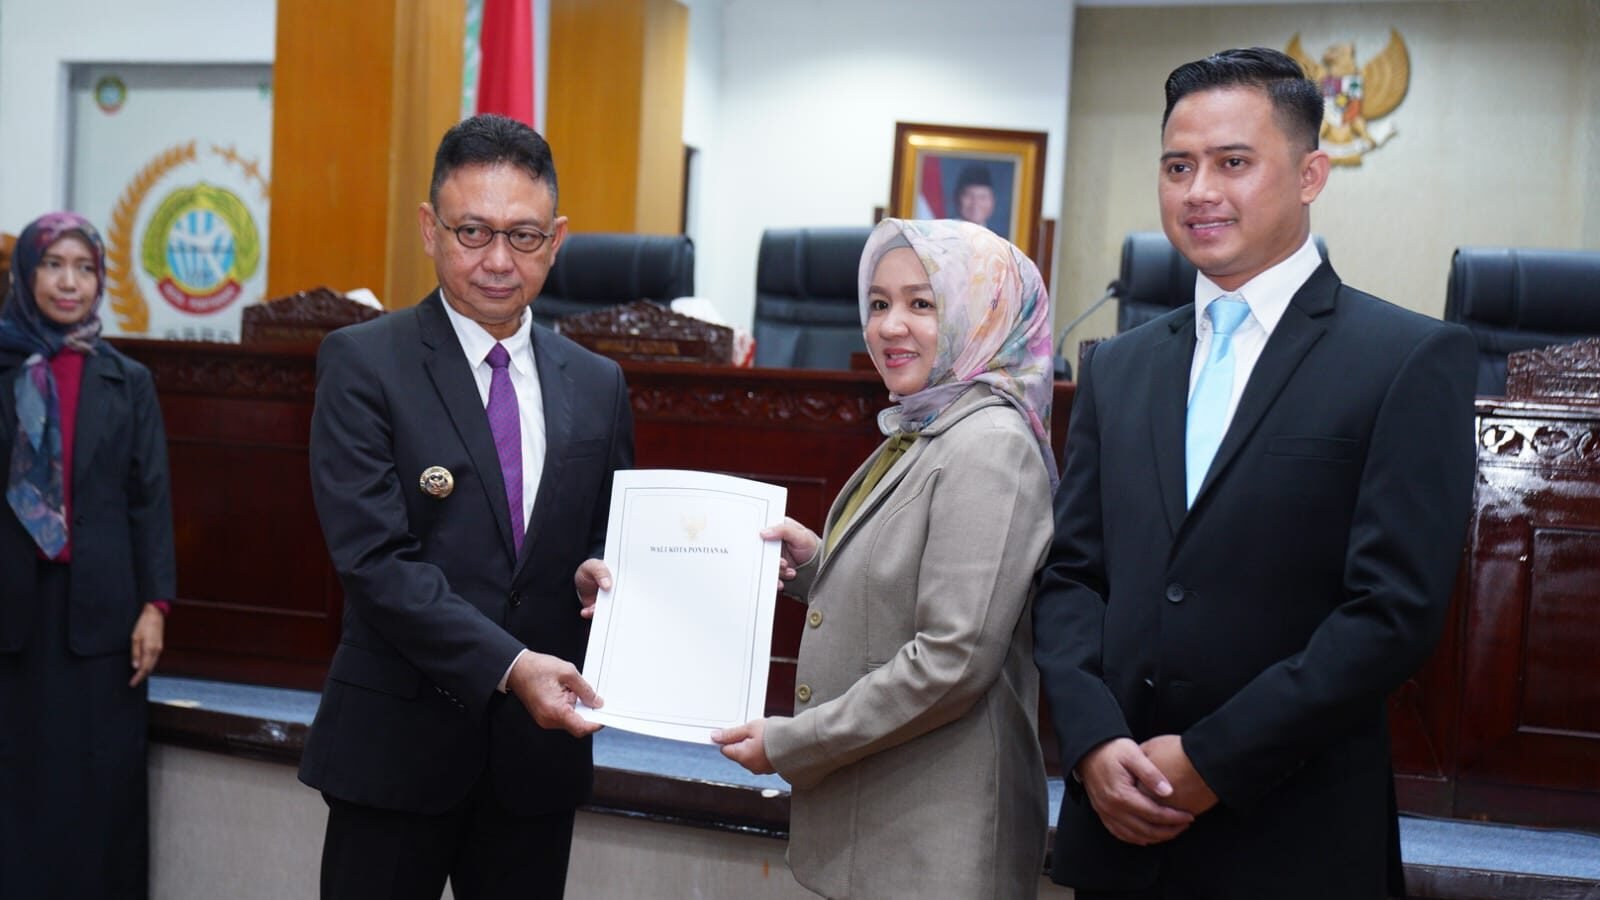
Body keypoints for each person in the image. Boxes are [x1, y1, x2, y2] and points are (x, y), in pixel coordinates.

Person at [1032, 47, 1477, 899]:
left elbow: (1392, 614)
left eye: (1233, 162)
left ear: (1311, 174)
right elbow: (1073, 577)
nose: (1200, 190)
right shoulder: (1118, 367)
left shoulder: (1406, 359)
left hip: (1293, 838)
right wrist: (1089, 742)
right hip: (1118, 834)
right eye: (1177, 165)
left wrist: (1210, 759)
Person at [298, 114, 634, 900]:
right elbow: (374, 563)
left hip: (535, 763)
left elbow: (605, 537)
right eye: (473, 231)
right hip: (396, 752)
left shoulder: (597, 382)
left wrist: (599, 574)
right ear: (429, 228)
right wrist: (511, 667)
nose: (495, 261)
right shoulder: (362, 364)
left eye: (522, 236)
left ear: (557, 238)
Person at [713, 218, 1056, 898]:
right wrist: (817, 566)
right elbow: (913, 585)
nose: (889, 326)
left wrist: (794, 742)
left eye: (921, 303)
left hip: (938, 837)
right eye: (878, 303)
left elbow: (951, 660)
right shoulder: (929, 424)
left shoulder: (989, 444)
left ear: (981, 311)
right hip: (890, 819)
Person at [0, 211, 174, 898]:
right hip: (11, 614)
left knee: (99, 786)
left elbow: (150, 501)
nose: (69, 282)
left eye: (84, 267)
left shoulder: (127, 381)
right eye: (52, 265)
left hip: (101, 616)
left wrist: (155, 606)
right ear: (26, 273)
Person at [953, 163, 998, 229]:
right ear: (956, 198)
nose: (976, 203)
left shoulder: (999, 238)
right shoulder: (941, 236)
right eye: (969, 196)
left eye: (982, 197)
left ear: (992, 201)